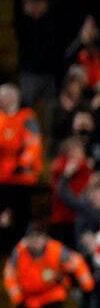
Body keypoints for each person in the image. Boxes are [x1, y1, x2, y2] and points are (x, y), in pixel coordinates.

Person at [0, 83, 43, 254]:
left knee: (19, 217)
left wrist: (23, 164)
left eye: (2, 96)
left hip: (22, 178)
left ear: (13, 98)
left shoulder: (27, 117)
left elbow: (33, 143)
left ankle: (19, 252)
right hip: (2, 177)